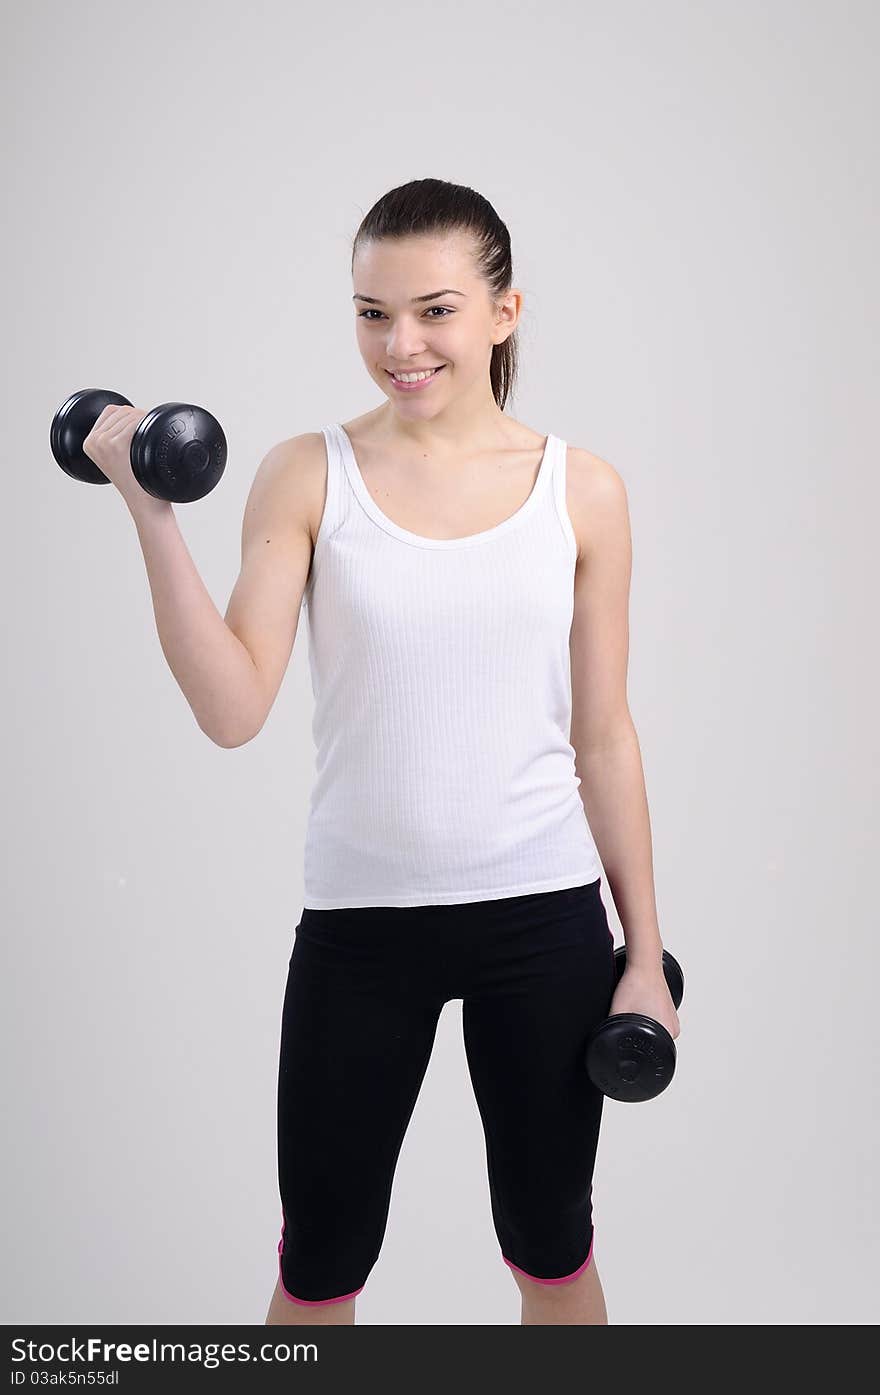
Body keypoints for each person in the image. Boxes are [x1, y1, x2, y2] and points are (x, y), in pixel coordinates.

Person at [84, 178, 680, 1326]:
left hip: (542, 919)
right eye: (370, 313)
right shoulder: (310, 473)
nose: (399, 345)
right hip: (361, 927)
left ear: (504, 312)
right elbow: (231, 708)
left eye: (434, 310)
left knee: (550, 1248)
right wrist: (149, 513)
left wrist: (643, 953)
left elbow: (603, 737)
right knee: (321, 1262)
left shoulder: (582, 491)